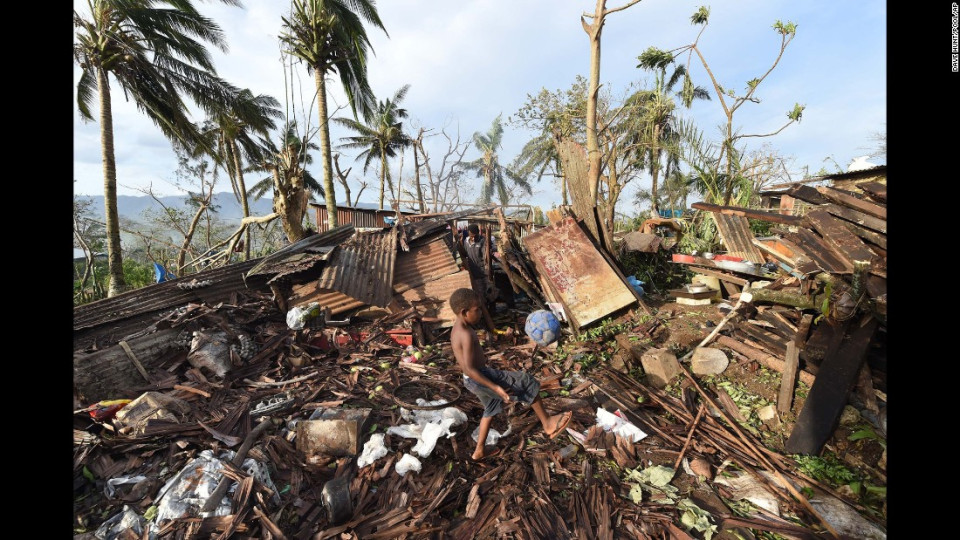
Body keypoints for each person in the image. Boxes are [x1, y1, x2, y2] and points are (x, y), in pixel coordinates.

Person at [449, 288, 573, 461]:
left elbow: (467, 369)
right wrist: (496, 387)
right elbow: (470, 368)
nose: (480, 313)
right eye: (477, 310)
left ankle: (479, 451)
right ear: (464, 312)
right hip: (480, 377)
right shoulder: (466, 334)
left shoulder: (457, 329)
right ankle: (548, 424)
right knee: (527, 382)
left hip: (470, 380)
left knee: (490, 408)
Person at [460, 223, 498, 306]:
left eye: (474, 235)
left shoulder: (483, 241)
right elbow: (465, 254)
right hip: (474, 272)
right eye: (470, 235)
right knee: (479, 293)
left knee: (490, 291)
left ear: (477, 233)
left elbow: (487, 255)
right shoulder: (466, 241)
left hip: (485, 272)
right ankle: (483, 310)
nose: (472, 237)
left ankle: (492, 308)